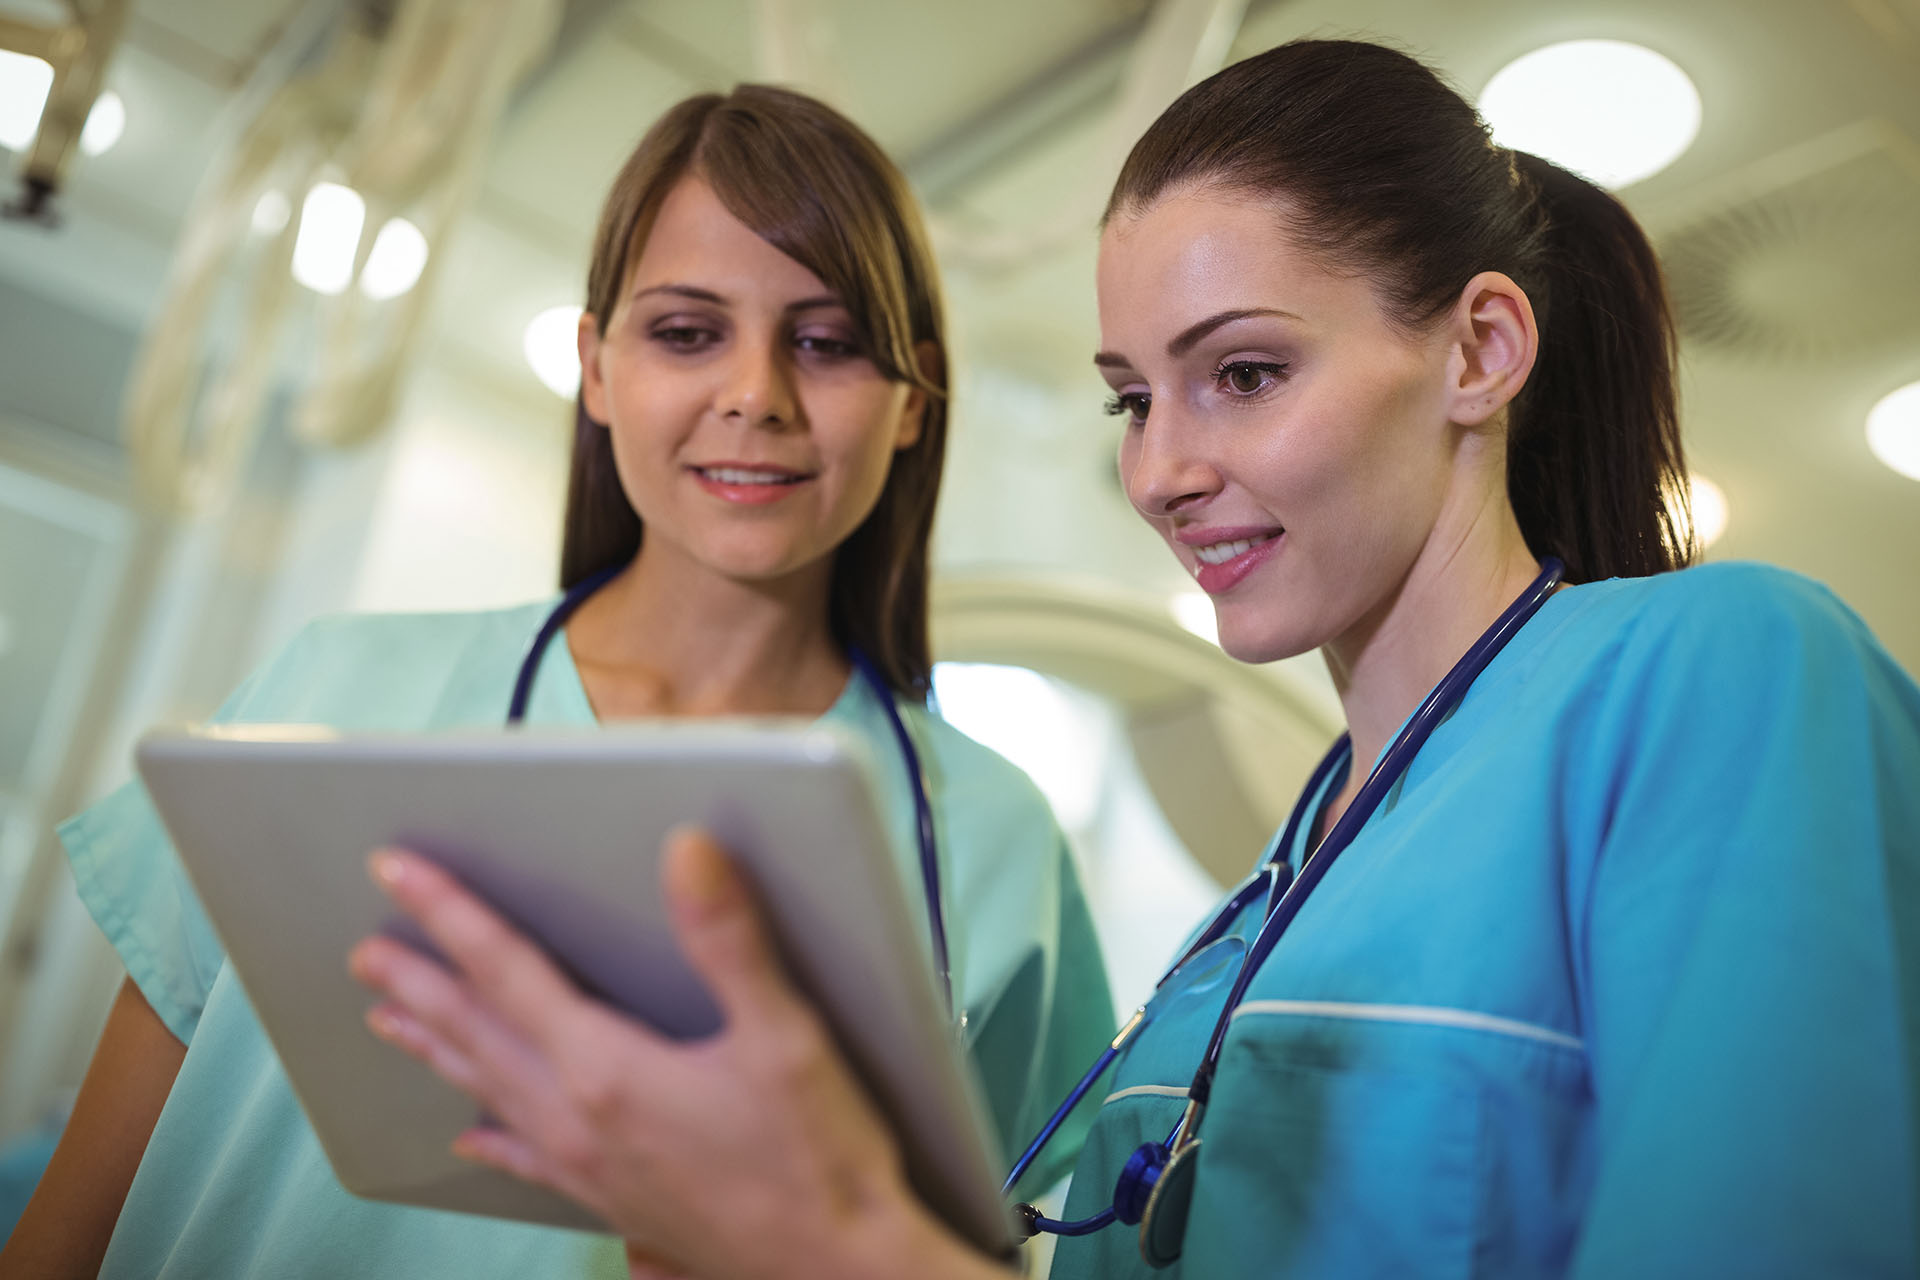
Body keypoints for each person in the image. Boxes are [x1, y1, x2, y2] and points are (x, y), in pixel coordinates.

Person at [343, 37, 1920, 1279]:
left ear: (1477, 350)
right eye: (1130, 398)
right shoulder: (1250, 924)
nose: (1163, 468)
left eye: (1241, 373)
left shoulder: (1718, 673)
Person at [0, 85, 1114, 1279]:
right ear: (595, 367)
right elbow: (77, 1213)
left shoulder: (996, 845)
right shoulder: (333, 689)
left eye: (828, 341)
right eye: (687, 332)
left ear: (914, 403)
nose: (755, 393)